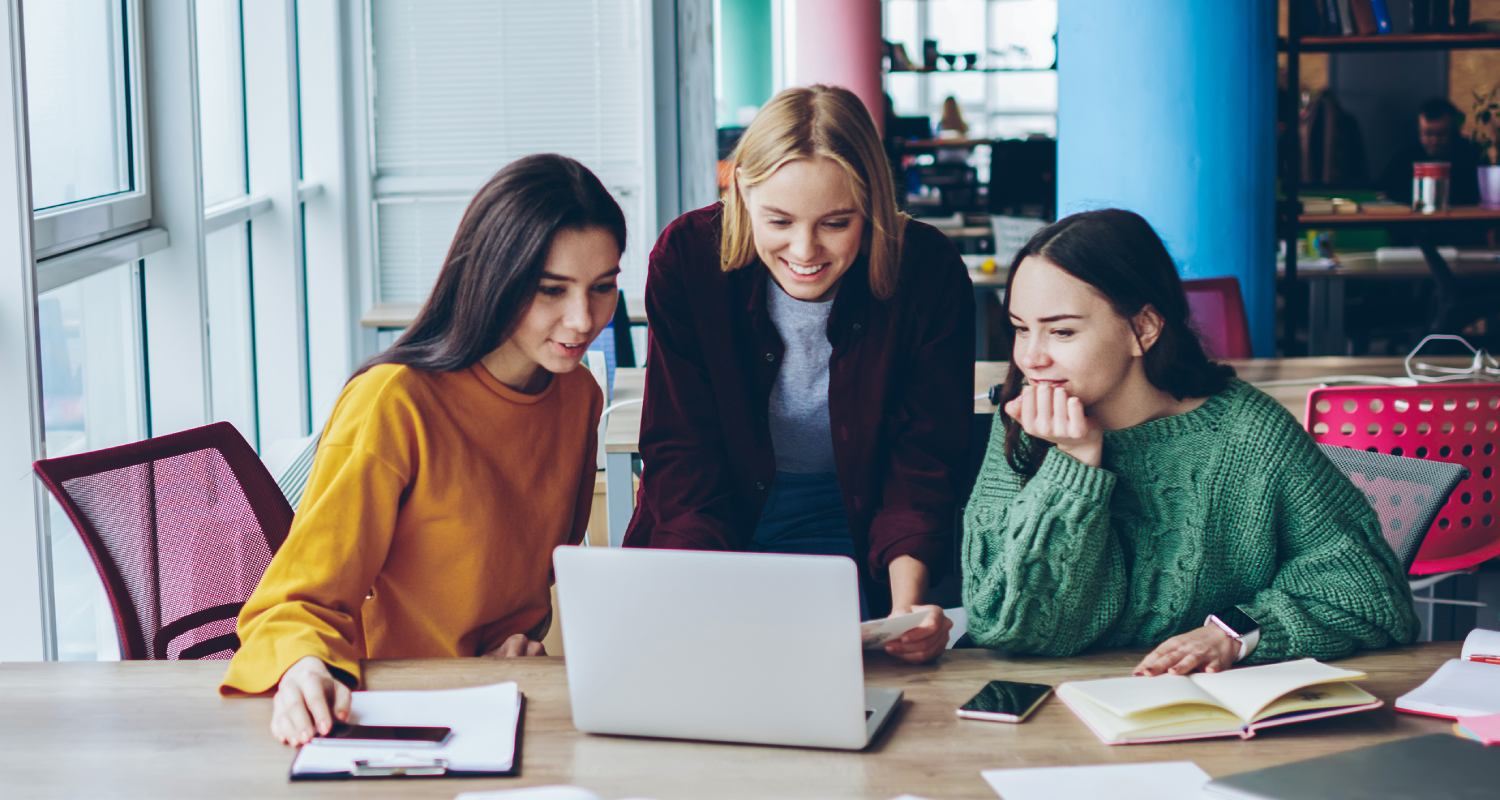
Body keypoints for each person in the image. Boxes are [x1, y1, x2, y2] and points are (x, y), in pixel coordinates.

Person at [220, 154, 625, 745]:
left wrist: (510, 642)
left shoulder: (577, 395)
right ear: (494, 276)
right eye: (551, 290)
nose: (583, 318)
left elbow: (523, 584)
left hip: (503, 702)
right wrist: (304, 668)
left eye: (604, 287)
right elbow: (294, 601)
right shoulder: (394, 402)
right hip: (384, 715)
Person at [962, 209, 1419, 675]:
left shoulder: (1249, 433)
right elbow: (1002, 623)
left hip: (1207, 715)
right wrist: (1074, 465)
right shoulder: (1024, 425)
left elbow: (1372, 597)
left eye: (1061, 331)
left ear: (1143, 328)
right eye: (1021, 328)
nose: (1031, 357)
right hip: (1052, 714)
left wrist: (1232, 633)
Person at [624, 85, 974, 664]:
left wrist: (904, 612)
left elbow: (924, 457)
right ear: (741, 192)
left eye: (837, 223)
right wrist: (691, 593)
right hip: (715, 520)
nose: (805, 250)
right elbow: (683, 452)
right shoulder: (687, 258)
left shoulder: (927, 271)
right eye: (779, 221)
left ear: (873, 207)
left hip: (854, 524)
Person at [1379, 97, 1482, 206]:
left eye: (1441, 134)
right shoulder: (1406, 155)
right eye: (1428, 134)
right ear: (1419, 132)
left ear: (1454, 132)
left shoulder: (1470, 154)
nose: (1434, 140)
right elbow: (1384, 189)